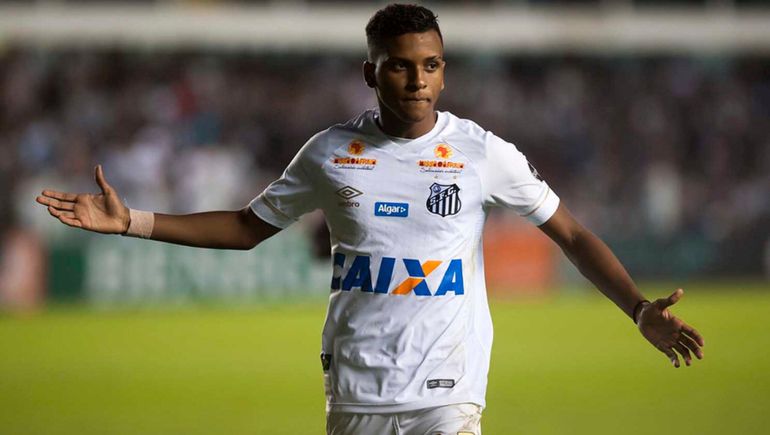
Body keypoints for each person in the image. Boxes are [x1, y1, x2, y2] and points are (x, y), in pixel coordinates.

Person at [36, 4, 704, 434]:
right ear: (371, 72)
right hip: (357, 387)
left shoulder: (480, 152)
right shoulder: (330, 153)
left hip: (447, 392)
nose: (418, 80)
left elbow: (573, 233)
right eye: (401, 67)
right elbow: (247, 228)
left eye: (431, 66)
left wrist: (639, 308)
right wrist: (134, 222)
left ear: (444, 74)